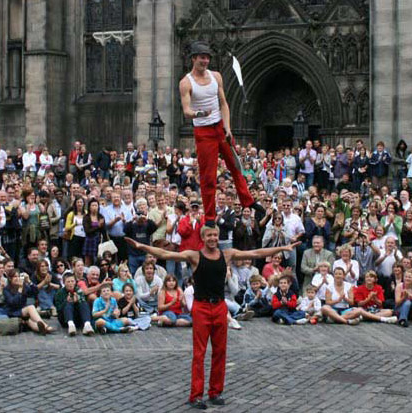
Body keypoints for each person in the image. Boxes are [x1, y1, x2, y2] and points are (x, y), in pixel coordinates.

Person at [126, 225, 296, 409]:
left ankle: (215, 392)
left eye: (215, 235)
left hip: (220, 306)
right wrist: (141, 246)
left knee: (220, 351)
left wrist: (282, 248)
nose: (213, 238)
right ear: (203, 237)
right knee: (199, 353)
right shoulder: (194, 255)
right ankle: (196, 395)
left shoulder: (227, 254)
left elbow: (256, 253)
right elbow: (165, 254)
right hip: (201, 307)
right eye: (209, 235)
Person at [178, 41, 264, 228]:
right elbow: (186, 110)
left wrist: (228, 127)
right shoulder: (186, 83)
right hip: (203, 131)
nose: (205, 60)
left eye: (207, 57)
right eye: (202, 57)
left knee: (236, 166)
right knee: (208, 177)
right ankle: (209, 216)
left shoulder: (216, 76)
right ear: (193, 58)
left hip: (220, 127)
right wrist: (199, 114)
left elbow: (224, 104)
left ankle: (248, 201)